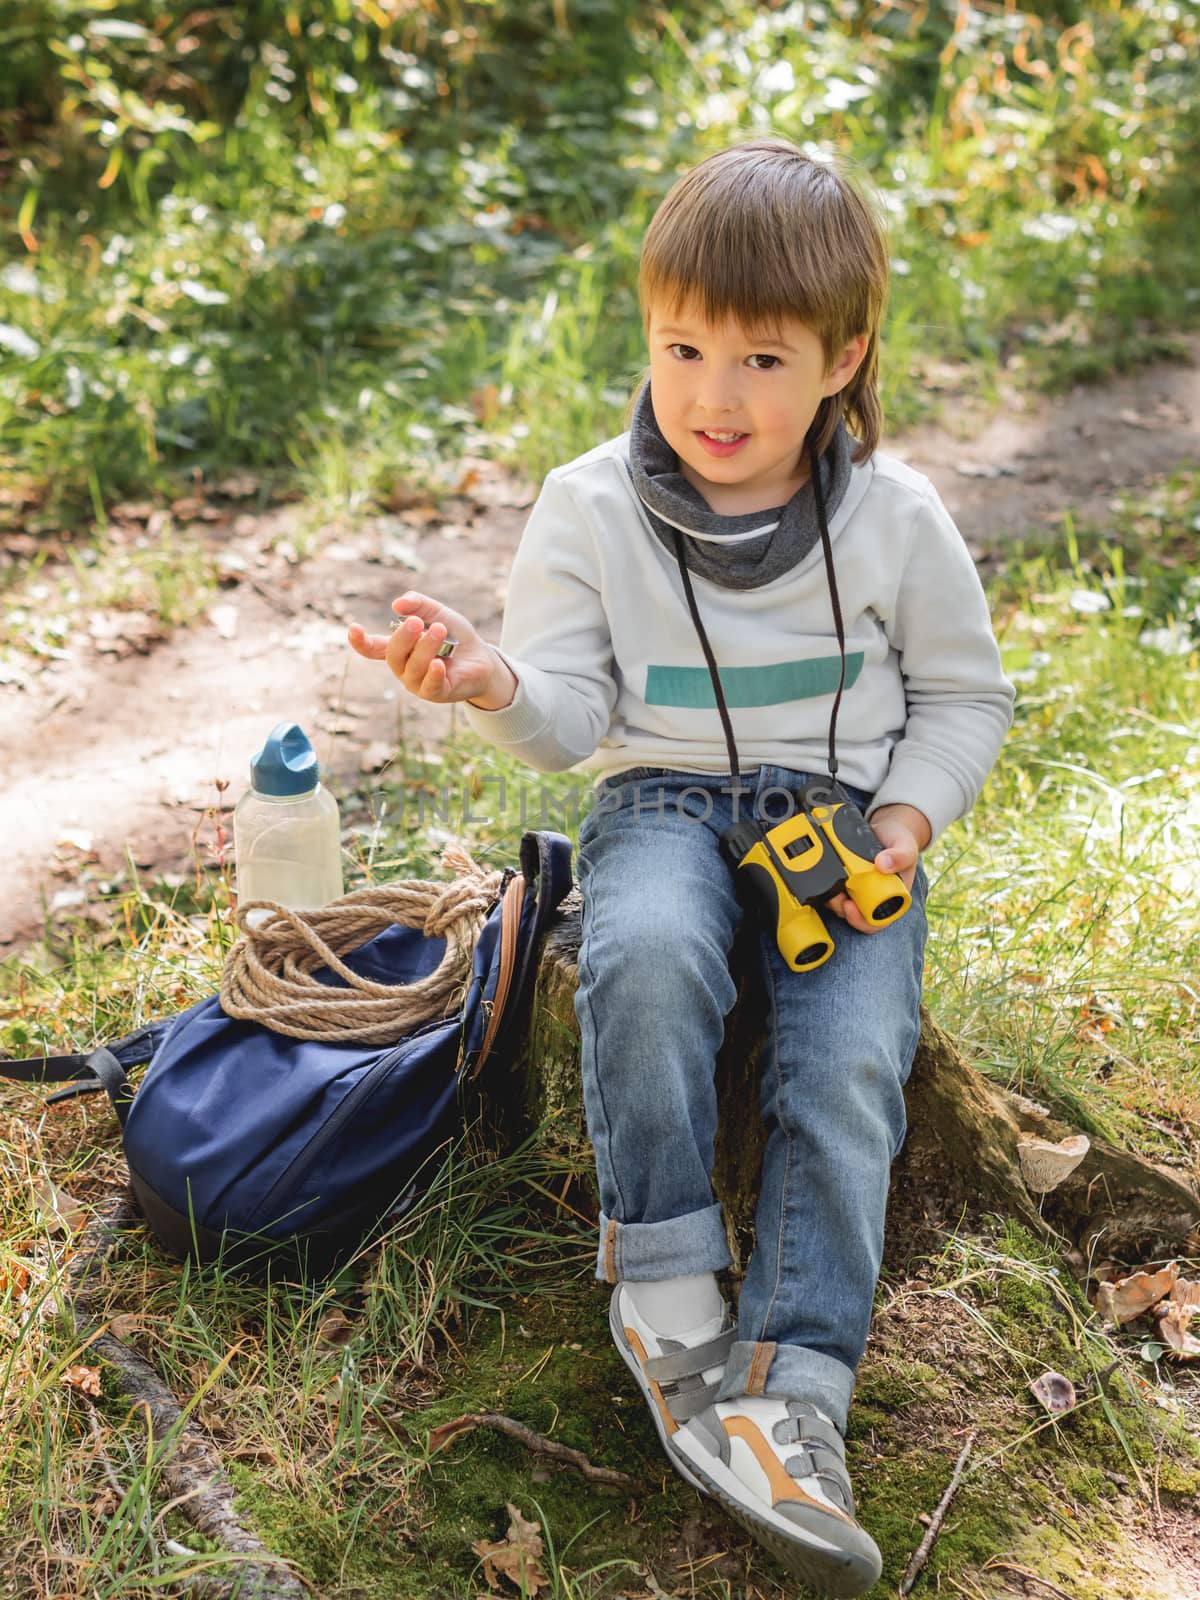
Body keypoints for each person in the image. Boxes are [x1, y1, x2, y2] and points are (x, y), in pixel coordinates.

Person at [348, 137, 1013, 1596]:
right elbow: (572, 717)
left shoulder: (893, 521)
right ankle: (659, 1277)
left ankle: (800, 1384)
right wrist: (492, 682)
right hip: (658, 800)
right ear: (647, 335)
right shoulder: (589, 507)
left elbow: (969, 698)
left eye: (764, 359)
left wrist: (899, 830)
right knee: (643, 956)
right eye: (683, 347)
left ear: (842, 359)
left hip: (841, 831)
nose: (717, 393)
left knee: (847, 1057)